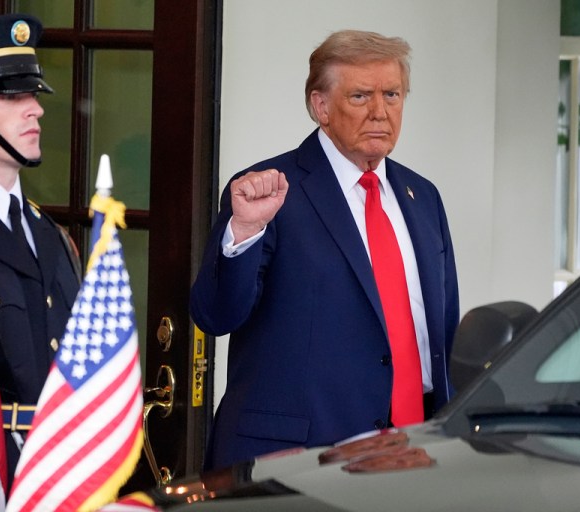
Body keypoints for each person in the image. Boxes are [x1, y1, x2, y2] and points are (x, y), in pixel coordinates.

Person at [190, 29, 459, 469]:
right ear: (321, 106)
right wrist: (244, 230)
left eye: (392, 94)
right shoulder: (269, 191)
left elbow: (439, 332)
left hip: (410, 455)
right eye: (359, 96)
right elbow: (216, 315)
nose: (380, 112)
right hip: (298, 460)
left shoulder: (423, 197)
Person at [0, 13, 81, 489]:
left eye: (32, 94)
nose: (34, 109)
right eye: (10, 96)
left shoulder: (49, 233)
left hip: (61, 474)